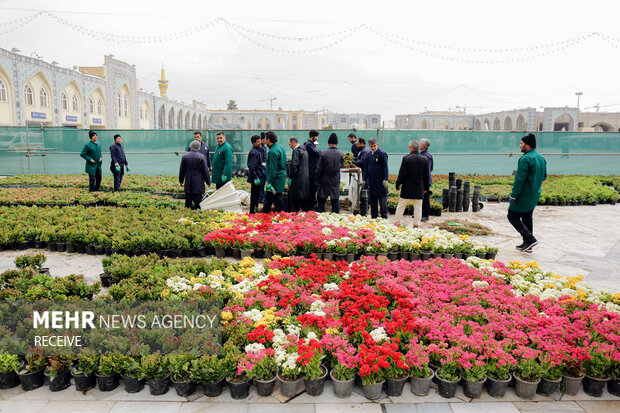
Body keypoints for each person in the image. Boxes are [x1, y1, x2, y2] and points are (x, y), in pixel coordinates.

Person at [508, 133, 547, 252]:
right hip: (535, 193)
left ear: (528, 145)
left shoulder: (525, 159)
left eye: (521, 143)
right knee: (527, 216)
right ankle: (527, 244)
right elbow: (544, 176)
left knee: (512, 216)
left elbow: (519, 180)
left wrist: (513, 195)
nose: (520, 146)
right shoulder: (541, 158)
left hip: (524, 195)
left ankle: (529, 239)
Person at [395, 140, 429, 227]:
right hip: (419, 187)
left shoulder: (406, 158)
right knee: (418, 207)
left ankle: (397, 222)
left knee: (401, 205)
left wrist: (398, 184)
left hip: (407, 187)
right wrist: (426, 188)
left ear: (411, 148)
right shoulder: (424, 159)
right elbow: (426, 176)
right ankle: (416, 224)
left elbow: (402, 174)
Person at [315, 133, 344, 213]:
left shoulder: (323, 153)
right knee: (335, 200)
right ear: (337, 143)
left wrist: (317, 180)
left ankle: (322, 217)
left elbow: (319, 169)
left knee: (322, 200)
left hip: (324, 180)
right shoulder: (341, 154)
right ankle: (336, 218)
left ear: (328, 143)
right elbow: (341, 165)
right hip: (335, 180)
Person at [179, 140, 210, 210]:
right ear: (199, 147)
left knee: (188, 205)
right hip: (198, 184)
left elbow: (182, 170)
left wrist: (181, 180)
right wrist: (208, 181)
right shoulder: (201, 157)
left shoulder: (185, 157)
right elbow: (205, 171)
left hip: (188, 183)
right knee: (198, 205)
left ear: (191, 146)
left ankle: (187, 217)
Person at [363, 138, 390, 219]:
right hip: (371, 181)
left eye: (374, 146)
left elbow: (385, 167)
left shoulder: (382, 154)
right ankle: (374, 216)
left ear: (377, 144)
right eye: (371, 146)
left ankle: (384, 216)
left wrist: (385, 179)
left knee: (382, 199)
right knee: (373, 199)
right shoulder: (368, 155)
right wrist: (364, 179)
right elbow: (366, 169)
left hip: (381, 181)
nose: (373, 148)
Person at [262, 131, 287, 213]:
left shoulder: (272, 151)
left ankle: (281, 217)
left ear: (268, 139)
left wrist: (269, 182)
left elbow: (272, 169)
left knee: (277, 200)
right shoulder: (281, 147)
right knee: (269, 199)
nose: (264, 141)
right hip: (280, 178)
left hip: (275, 180)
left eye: (265, 139)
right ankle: (263, 214)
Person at [287, 137, 309, 212]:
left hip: (297, 180)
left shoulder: (296, 151)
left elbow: (294, 166)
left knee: (295, 202)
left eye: (290, 144)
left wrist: (291, 177)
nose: (290, 146)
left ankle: (296, 217)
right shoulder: (304, 150)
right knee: (304, 202)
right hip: (305, 179)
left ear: (293, 142)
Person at [247, 135, 265, 214]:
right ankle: (252, 211)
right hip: (256, 177)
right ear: (253, 143)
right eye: (258, 141)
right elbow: (251, 166)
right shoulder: (253, 152)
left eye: (260, 141)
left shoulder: (258, 149)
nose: (260, 142)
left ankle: (256, 209)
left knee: (257, 194)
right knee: (254, 195)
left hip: (259, 174)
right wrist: (255, 177)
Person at [304, 129, 320, 210]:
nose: (317, 138)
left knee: (312, 190)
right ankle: (309, 208)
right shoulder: (309, 145)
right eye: (316, 136)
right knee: (311, 190)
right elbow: (317, 154)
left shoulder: (311, 145)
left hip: (312, 170)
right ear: (312, 137)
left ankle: (310, 206)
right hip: (311, 171)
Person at [419, 138, 433, 221]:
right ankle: (420, 214)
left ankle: (425, 215)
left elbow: (428, 170)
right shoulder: (423, 154)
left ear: (423, 146)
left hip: (425, 181)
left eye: (420, 143)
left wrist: (426, 183)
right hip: (422, 180)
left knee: (425, 199)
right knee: (421, 198)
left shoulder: (426, 156)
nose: (419, 145)